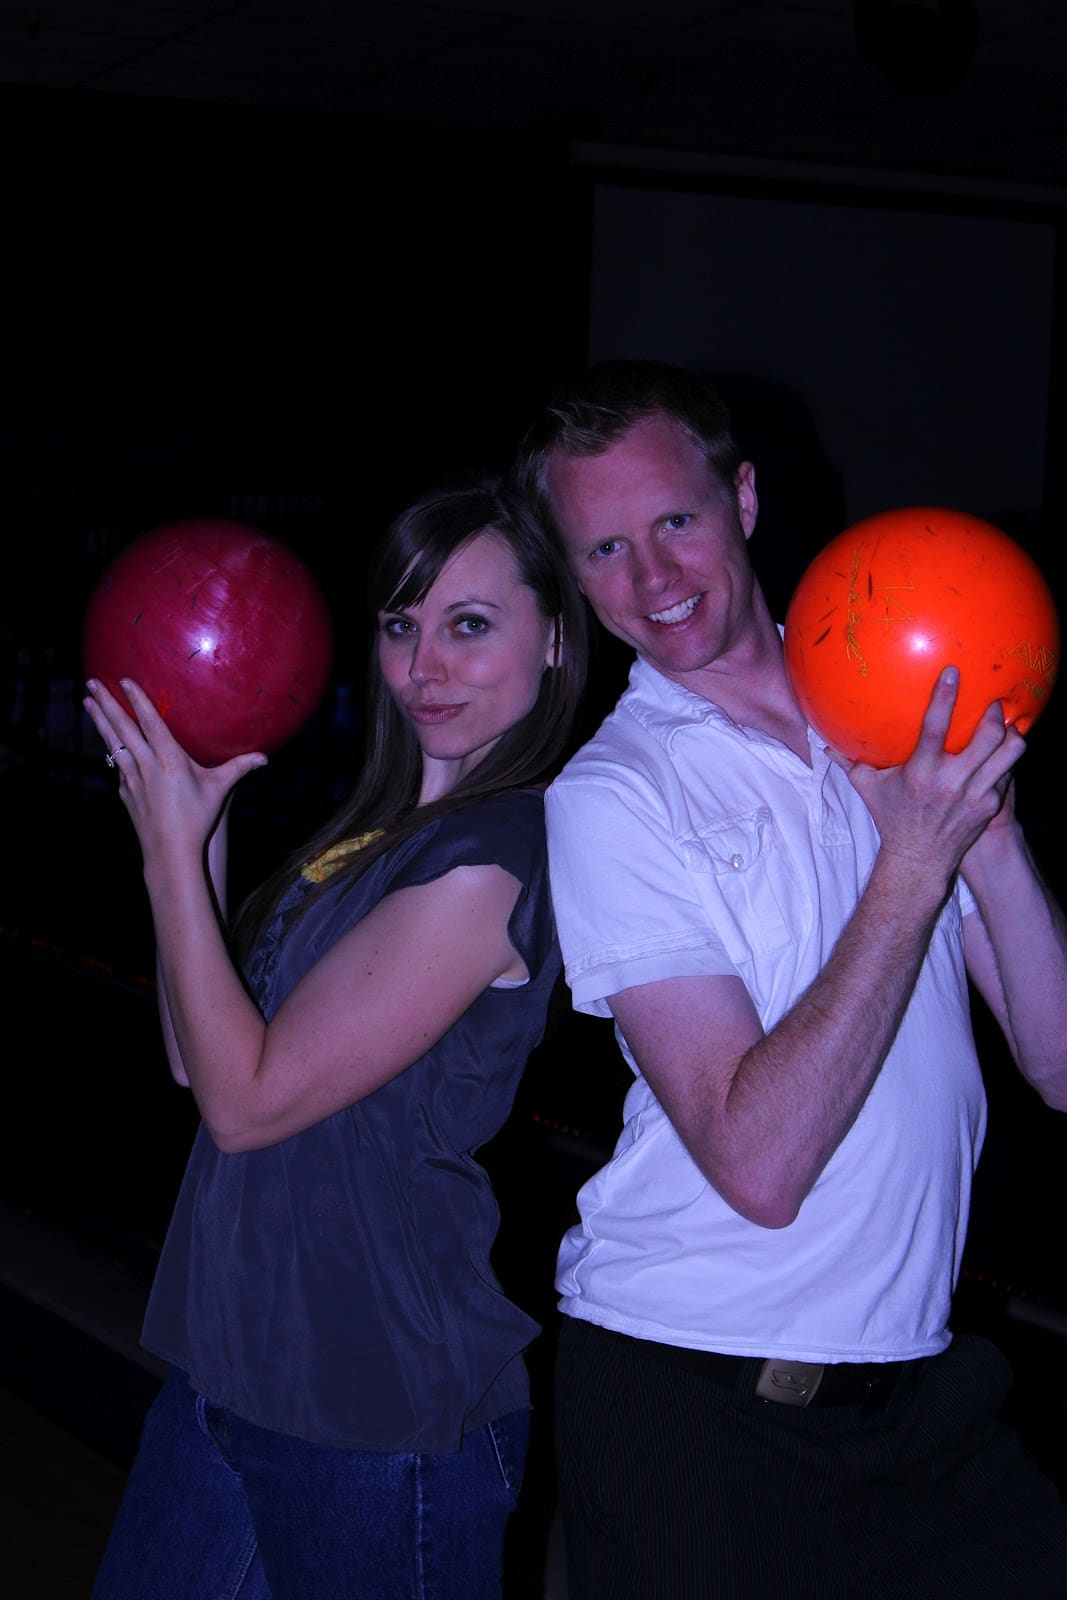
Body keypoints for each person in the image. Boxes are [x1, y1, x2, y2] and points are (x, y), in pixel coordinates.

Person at [511, 358, 1067, 1599]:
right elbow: (756, 1163)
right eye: (603, 550)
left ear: (742, 501)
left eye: (673, 521)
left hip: (915, 1401)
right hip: (693, 1405)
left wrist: (989, 833)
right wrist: (909, 865)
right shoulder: (615, 797)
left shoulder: (886, 712)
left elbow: (1057, 1059)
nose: (651, 579)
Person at [82, 474, 588, 1600]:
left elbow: (245, 1103)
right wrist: (198, 828)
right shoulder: (374, 837)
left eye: (468, 624)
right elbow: (196, 1055)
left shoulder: (494, 854)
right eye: (402, 625)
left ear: (552, 638)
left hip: (373, 1412)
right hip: (232, 1367)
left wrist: (170, 854)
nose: (425, 665)